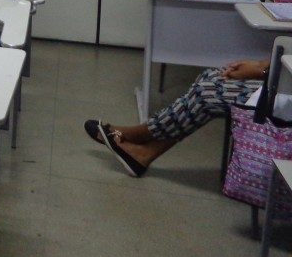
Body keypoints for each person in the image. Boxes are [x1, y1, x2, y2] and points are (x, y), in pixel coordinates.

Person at [84, 59, 272, 177]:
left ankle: (137, 135)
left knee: (206, 94)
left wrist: (260, 71)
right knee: (210, 76)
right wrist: (259, 66)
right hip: (278, 81)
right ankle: (143, 154)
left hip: (280, 94)